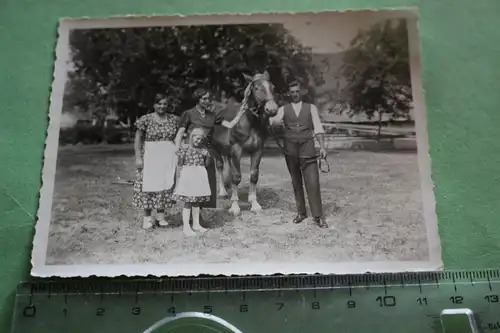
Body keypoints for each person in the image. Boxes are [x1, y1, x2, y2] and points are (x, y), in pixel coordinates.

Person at [174, 88, 246, 219]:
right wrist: (178, 151)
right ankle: (188, 216)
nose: (207, 101)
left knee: (204, 183)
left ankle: (198, 216)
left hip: (207, 151)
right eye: (204, 99)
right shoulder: (188, 114)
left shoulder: (212, 115)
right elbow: (180, 133)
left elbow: (229, 125)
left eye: (208, 98)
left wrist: (240, 114)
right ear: (198, 99)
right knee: (192, 184)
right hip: (191, 152)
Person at [269, 81, 329, 228]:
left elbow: (318, 128)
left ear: (301, 92)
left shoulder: (311, 108)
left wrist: (322, 147)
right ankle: (301, 212)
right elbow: (274, 121)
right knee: (296, 182)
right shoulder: (283, 109)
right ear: (289, 93)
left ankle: (318, 215)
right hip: (290, 150)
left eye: (297, 91)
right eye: (292, 92)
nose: (295, 94)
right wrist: (270, 114)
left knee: (313, 182)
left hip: (307, 148)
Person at [133, 95, 179, 230]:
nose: (162, 106)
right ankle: (147, 218)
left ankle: (160, 216)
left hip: (168, 156)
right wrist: (138, 157)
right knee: (149, 185)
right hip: (150, 155)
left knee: (165, 185)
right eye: (159, 104)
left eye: (165, 104)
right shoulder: (145, 119)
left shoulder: (174, 119)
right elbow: (138, 139)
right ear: (154, 105)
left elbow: (179, 137)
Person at [173, 128, 212, 236]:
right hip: (189, 175)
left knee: (197, 200)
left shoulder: (203, 150)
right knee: (189, 201)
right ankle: (186, 227)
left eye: (201, 140)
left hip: (200, 175)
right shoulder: (185, 148)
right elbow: (180, 164)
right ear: (192, 137)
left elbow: (207, 165)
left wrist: (209, 156)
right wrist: (179, 155)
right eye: (197, 138)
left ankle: (196, 224)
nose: (199, 141)